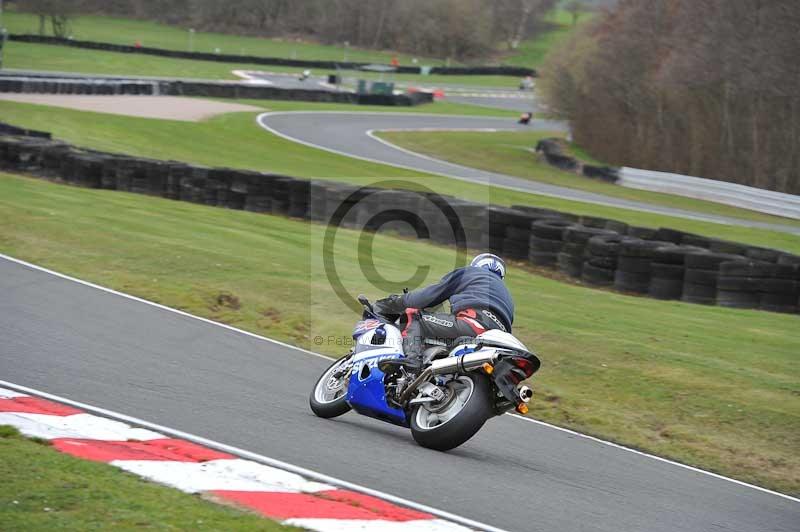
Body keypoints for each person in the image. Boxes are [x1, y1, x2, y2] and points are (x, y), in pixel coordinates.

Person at [374, 253, 514, 368]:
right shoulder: (507, 295)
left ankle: (412, 362)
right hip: (497, 341)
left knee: (413, 315)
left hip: (472, 325)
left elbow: (427, 297)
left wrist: (392, 303)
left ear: (476, 265)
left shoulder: (470, 273)